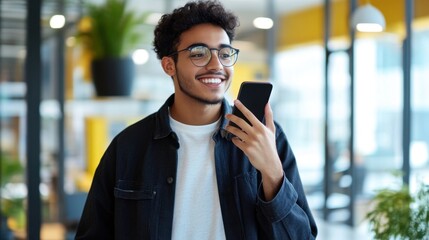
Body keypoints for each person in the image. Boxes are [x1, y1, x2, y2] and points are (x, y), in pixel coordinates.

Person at [75, 1, 318, 239]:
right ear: (169, 65)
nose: (217, 65)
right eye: (199, 53)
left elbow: (302, 236)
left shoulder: (264, 136)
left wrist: (272, 173)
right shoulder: (128, 147)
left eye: (224, 53)